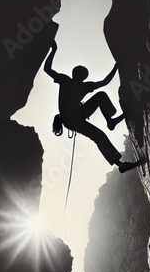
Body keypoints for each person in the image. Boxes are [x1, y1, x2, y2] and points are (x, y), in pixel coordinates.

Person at [44, 41, 142, 173]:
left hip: (75, 116)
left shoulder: (67, 80)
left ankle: (110, 121)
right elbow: (105, 81)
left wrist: (54, 50)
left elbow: (47, 69)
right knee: (99, 135)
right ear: (83, 76)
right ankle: (119, 162)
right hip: (72, 119)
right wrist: (116, 66)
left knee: (100, 99)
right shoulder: (78, 83)